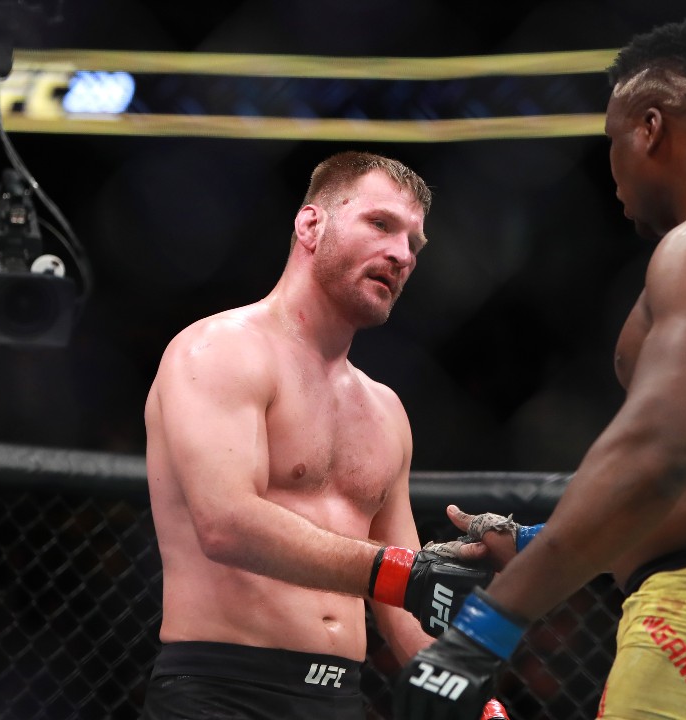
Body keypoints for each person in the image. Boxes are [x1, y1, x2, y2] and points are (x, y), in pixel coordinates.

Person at [395, 18, 686, 720]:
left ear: (649, 128)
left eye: (612, 144)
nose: (612, 174)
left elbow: (661, 453)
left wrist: (480, 636)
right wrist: (535, 545)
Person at [141, 151, 506, 720]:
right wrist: (401, 573)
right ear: (311, 225)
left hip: (339, 699)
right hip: (223, 691)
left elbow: (406, 598)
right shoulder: (219, 350)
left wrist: (470, 695)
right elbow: (226, 523)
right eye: (381, 224)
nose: (401, 254)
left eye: (415, 242)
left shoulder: (385, 409)